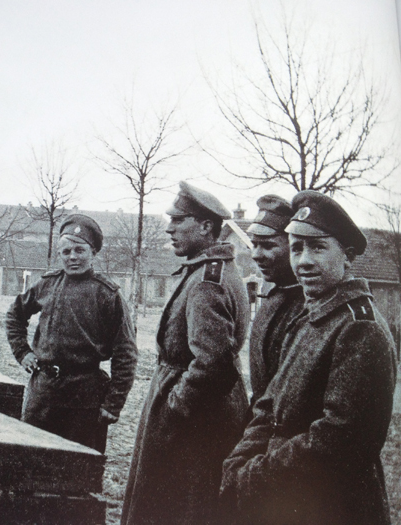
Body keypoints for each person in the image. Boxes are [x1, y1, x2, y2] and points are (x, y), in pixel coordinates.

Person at [221, 191, 397, 525]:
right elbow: (268, 404)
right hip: (287, 495)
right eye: (298, 248)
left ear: (346, 256)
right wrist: (238, 461)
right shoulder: (312, 314)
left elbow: (339, 441)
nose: (303, 261)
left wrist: (253, 474)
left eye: (318, 247)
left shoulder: (360, 328)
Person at [121, 181, 250, 525]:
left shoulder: (208, 280)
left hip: (193, 423)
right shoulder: (207, 270)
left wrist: (175, 405)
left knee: (180, 507)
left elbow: (212, 363)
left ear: (207, 226)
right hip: (197, 412)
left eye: (179, 220)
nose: (169, 228)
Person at [6, 214, 138, 453]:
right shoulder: (46, 284)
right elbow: (15, 315)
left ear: (93, 253)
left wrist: (113, 403)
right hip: (43, 392)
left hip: (84, 397)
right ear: (59, 254)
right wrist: (22, 351)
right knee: (31, 456)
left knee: (76, 466)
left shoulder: (108, 294)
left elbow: (126, 352)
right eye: (66, 252)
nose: (73, 257)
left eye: (79, 250)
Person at [246, 195, 304, 409]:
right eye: (254, 245)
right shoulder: (273, 293)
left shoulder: (309, 304)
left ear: (295, 247)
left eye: (268, 246)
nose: (256, 255)